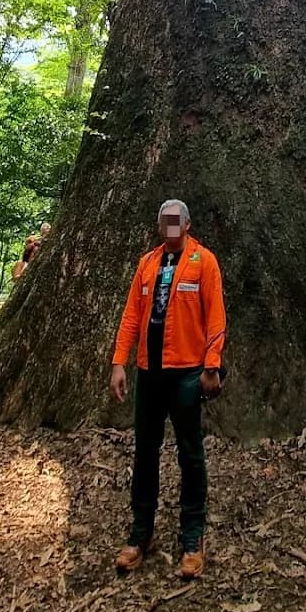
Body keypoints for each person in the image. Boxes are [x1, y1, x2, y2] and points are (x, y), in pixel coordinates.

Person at [110, 198, 226, 580]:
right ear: (160, 227)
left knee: (190, 455)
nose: (170, 228)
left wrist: (212, 366)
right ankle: (140, 534)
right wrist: (118, 362)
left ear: (187, 224)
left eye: (176, 221)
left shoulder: (204, 262)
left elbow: (216, 317)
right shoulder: (147, 264)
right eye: (165, 222)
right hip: (150, 372)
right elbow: (131, 315)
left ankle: (193, 538)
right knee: (145, 453)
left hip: (188, 373)